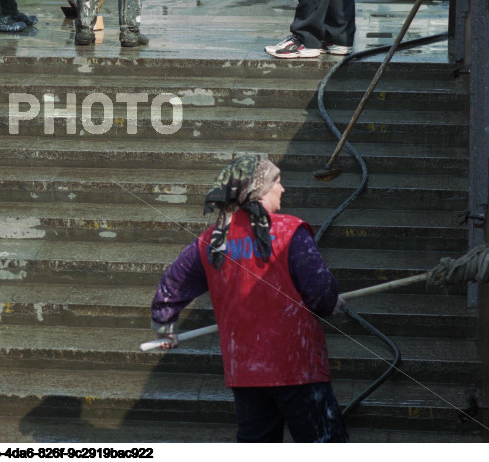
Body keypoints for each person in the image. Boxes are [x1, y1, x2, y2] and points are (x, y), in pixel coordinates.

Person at [150, 155, 349, 443]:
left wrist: (164, 325)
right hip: (298, 367)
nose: (282, 188)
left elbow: (173, 284)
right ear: (260, 190)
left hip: (245, 372)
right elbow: (320, 293)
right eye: (277, 181)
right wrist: (331, 303)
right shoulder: (290, 231)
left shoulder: (211, 241)